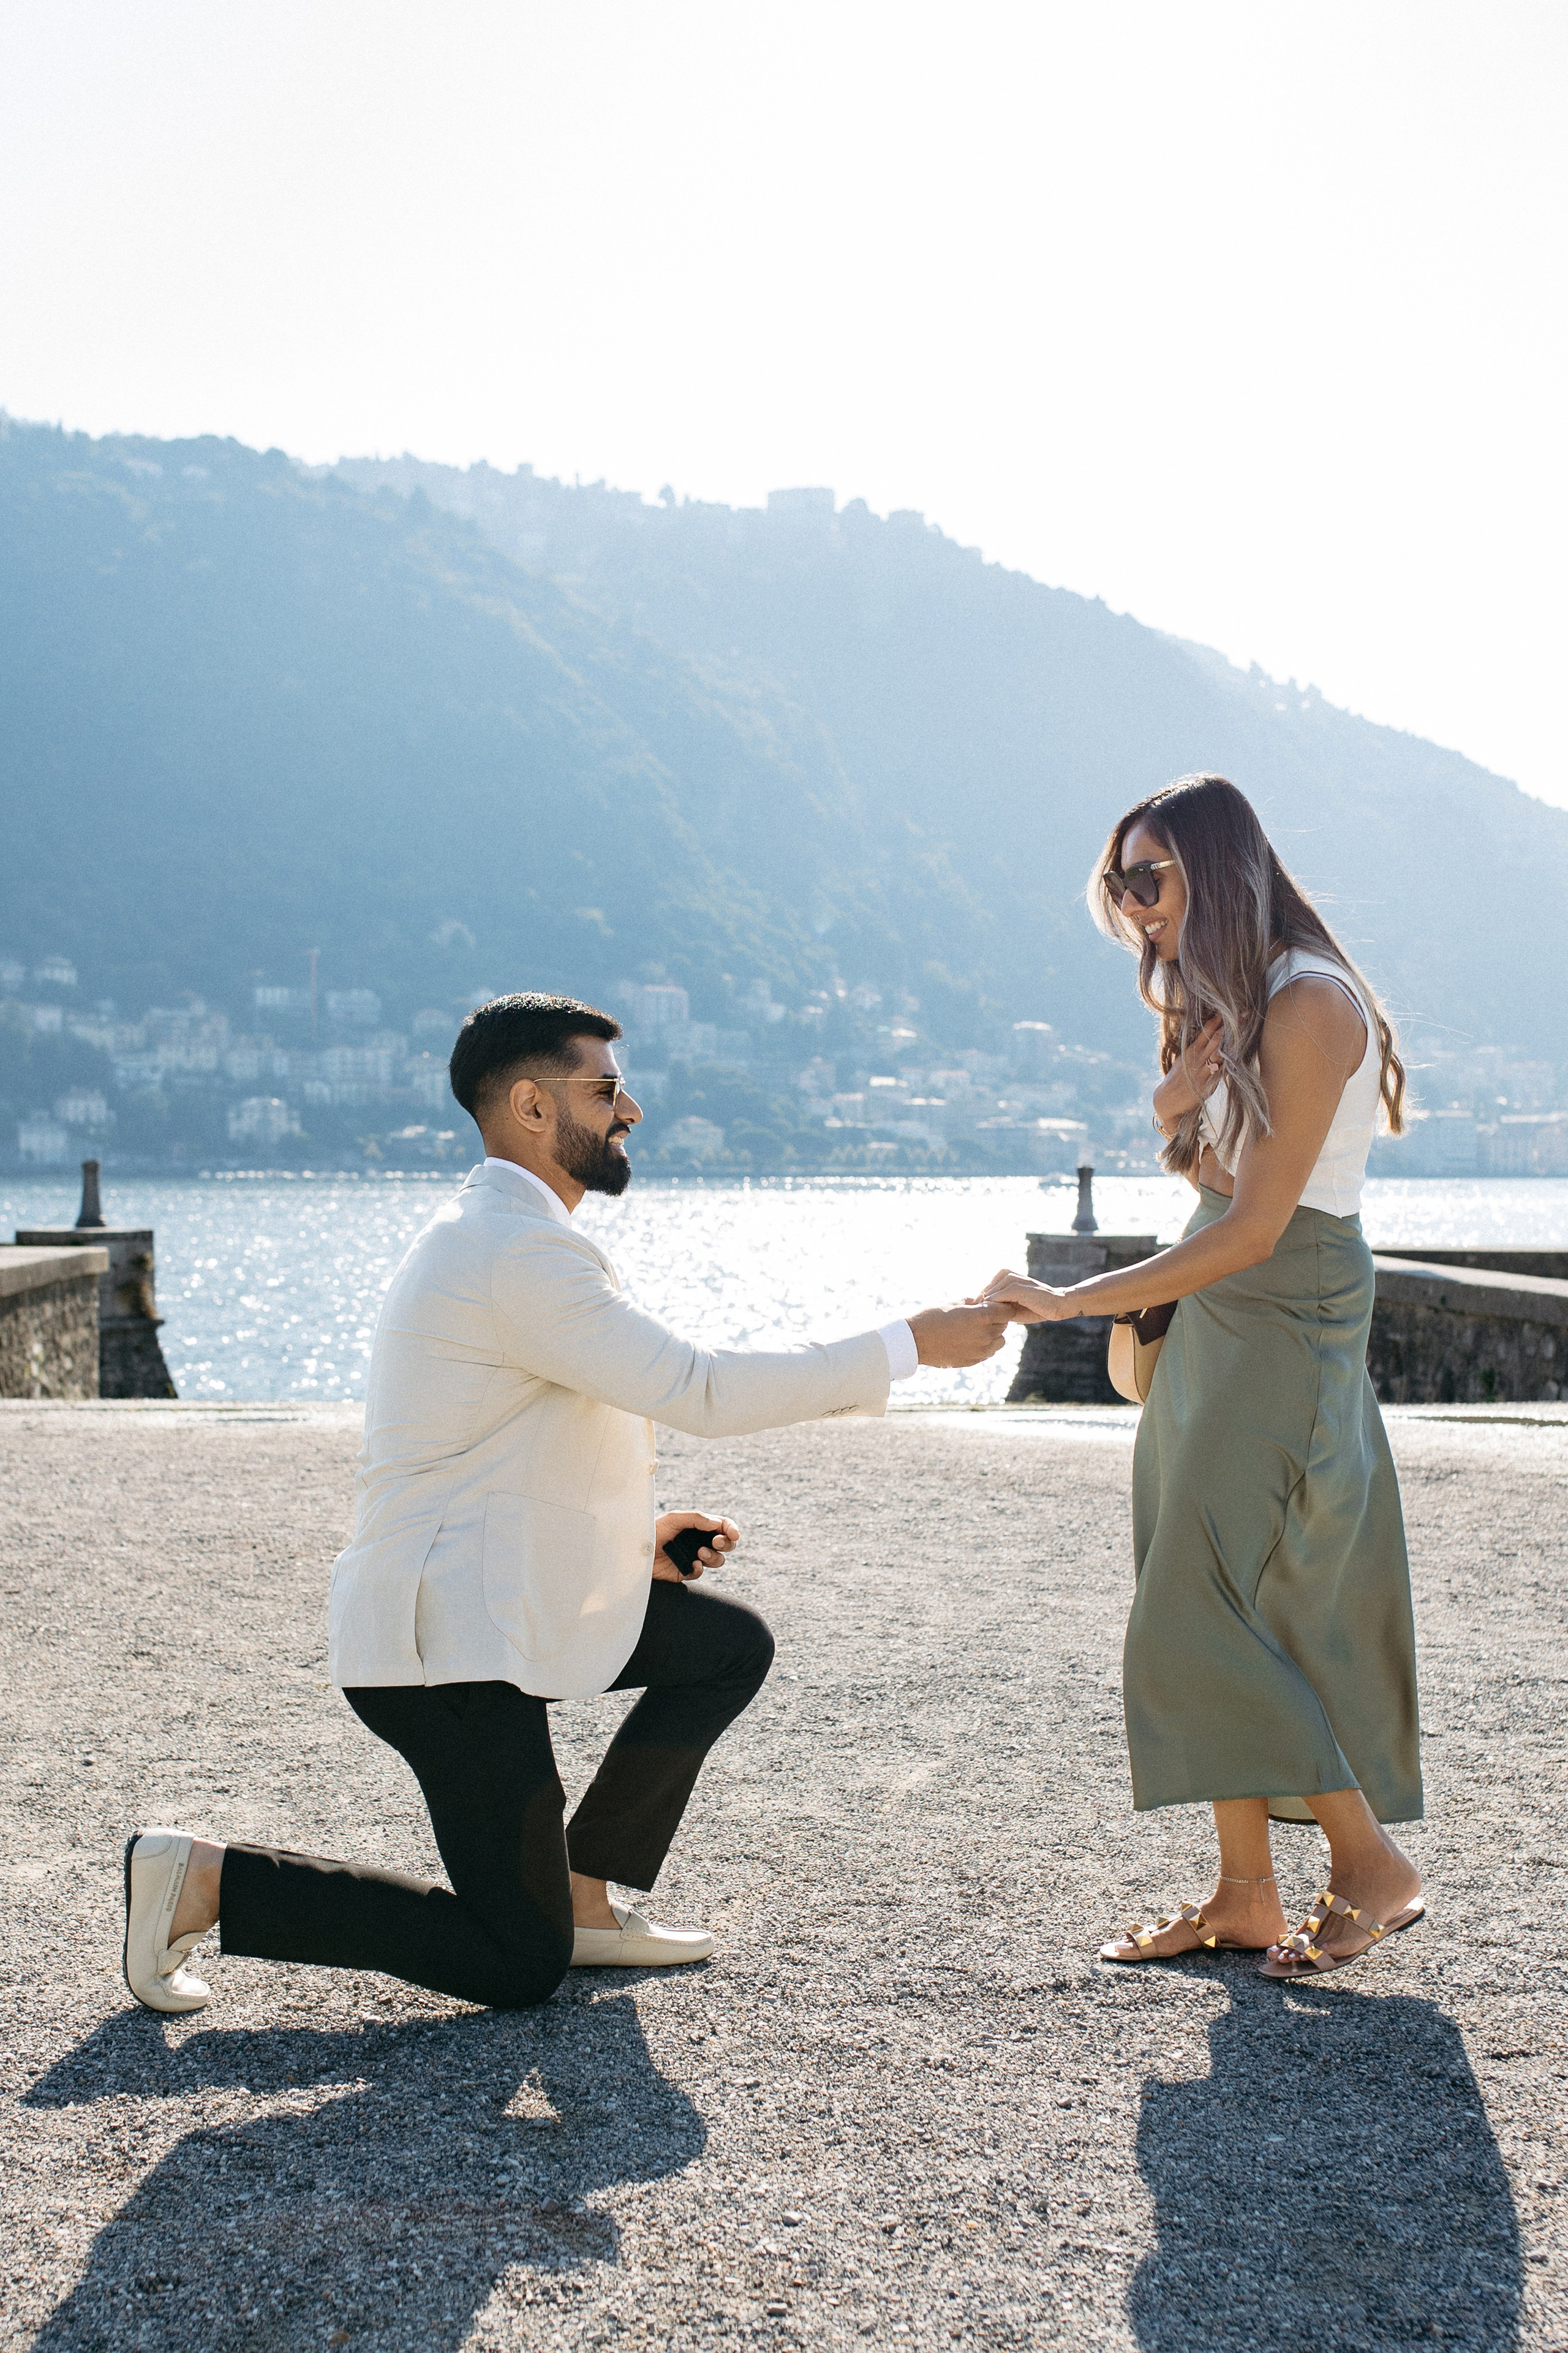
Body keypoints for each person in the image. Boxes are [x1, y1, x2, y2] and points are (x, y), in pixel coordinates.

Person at [123, 994, 1010, 2017]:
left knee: (723, 1646)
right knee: (512, 1961)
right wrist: (910, 1343)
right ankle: (205, 1879)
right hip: (445, 1649)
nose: (630, 1109)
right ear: (534, 1108)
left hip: (493, 1609)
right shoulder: (514, 1248)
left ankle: (587, 1896)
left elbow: (516, 1443)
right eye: (605, 1088)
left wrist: (640, 1539)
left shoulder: (512, 1234)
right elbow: (700, 1387)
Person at [981, 775, 1425, 1977]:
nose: (1131, 907)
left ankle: (1367, 1860)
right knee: (1214, 1583)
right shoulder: (1234, 1004)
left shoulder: (1311, 1002)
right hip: (1224, 1310)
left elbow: (1258, 1227)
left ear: (1217, 871)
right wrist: (1177, 1102)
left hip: (1282, 1308)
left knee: (1197, 1601)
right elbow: (1213, 1189)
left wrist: (1071, 1304)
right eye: (1117, 883)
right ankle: (1241, 1893)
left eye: (1149, 877)